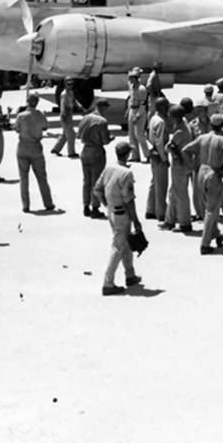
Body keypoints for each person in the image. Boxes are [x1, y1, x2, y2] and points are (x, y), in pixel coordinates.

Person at [94, 141, 143, 296]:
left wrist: (106, 204)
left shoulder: (109, 168)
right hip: (122, 214)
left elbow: (97, 189)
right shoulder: (126, 173)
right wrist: (136, 220)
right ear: (127, 154)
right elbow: (129, 200)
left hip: (111, 211)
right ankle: (108, 283)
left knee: (125, 243)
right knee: (117, 247)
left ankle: (130, 275)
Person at [183, 114, 223, 255]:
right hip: (214, 174)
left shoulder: (202, 138)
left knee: (209, 207)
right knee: (212, 210)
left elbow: (185, 150)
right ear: (222, 126)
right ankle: (205, 244)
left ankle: (217, 234)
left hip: (201, 172)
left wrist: (191, 165)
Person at [13, 93, 56, 213]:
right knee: (42, 177)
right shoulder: (40, 115)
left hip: (22, 147)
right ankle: (48, 203)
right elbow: (45, 127)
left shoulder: (21, 116)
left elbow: (16, 129)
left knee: (23, 178)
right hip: (36, 147)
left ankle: (25, 205)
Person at [161, 104, 193, 233]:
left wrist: (168, 145)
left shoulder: (180, 132)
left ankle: (185, 223)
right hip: (180, 164)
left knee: (181, 194)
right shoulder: (183, 125)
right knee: (173, 192)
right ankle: (170, 220)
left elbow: (168, 147)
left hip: (180, 165)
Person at [77, 99, 111, 217]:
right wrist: (110, 138)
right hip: (96, 151)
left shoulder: (85, 118)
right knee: (96, 182)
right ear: (103, 107)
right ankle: (95, 207)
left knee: (86, 181)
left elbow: (78, 135)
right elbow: (105, 140)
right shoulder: (102, 121)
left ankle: (86, 206)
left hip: (85, 150)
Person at [145, 97, 170, 220]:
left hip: (153, 154)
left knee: (154, 182)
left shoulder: (153, 118)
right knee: (161, 185)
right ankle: (161, 212)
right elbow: (159, 142)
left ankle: (150, 209)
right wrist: (164, 158)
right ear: (162, 108)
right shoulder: (161, 122)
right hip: (159, 155)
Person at [51, 77, 82, 158]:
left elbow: (73, 100)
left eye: (72, 83)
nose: (70, 85)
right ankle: (71, 152)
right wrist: (65, 117)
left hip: (69, 114)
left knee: (65, 134)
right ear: (65, 84)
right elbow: (63, 107)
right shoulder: (64, 94)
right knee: (71, 134)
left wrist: (79, 106)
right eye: (68, 84)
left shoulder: (70, 92)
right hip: (65, 115)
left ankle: (56, 149)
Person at [126, 68, 149, 162]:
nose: (130, 80)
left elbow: (143, 104)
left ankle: (147, 155)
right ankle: (135, 156)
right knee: (131, 134)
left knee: (139, 134)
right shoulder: (132, 87)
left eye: (131, 78)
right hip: (132, 110)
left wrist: (137, 115)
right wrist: (128, 111)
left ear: (136, 78)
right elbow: (130, 99)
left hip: (139, 111)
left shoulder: (142, 89)